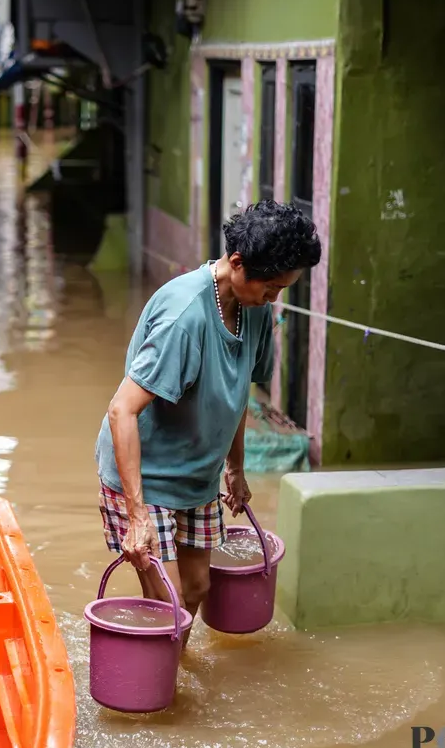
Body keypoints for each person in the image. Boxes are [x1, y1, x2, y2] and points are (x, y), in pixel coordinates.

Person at [94, 199, 322, 639]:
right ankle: (160, 690)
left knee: (197, 586)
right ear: (237, 263)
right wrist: (138, 516)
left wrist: (235, 467)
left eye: (282, 290)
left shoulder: (256, 312)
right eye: (271, 287)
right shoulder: (184, 317)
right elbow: (122, 410)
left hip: (197, 472)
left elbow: (236, 395)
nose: (274, 299)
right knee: (171, 602)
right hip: (147, 476)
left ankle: (171, 668)